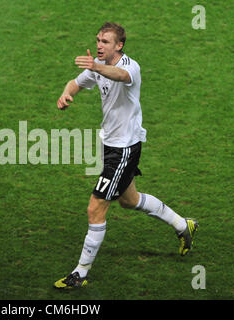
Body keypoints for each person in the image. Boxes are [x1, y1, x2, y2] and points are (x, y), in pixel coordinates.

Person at [53, 22, 198, 289]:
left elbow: (119, 75)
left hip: (124, 149)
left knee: (95, 207)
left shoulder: (130, 67)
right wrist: (66, 94)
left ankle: (80, 274)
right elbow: (74, 82)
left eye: (105, 42)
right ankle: (183, 225)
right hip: (110, 145)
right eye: (98, 40)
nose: (99, 45)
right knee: (129, 200)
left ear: (119, 45)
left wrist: (96, 67)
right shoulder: (98, 66)